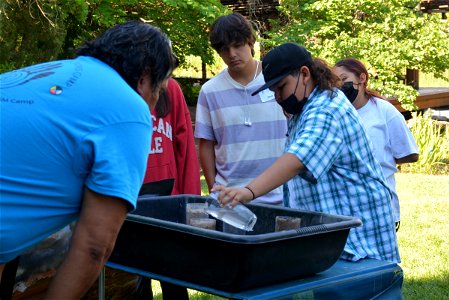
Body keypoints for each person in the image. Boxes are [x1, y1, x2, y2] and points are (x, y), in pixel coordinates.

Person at [0, 20, 178, 299]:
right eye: (161, 90)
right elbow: (95, 245)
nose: (156, 100)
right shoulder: (128, 109)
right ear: (145, 78)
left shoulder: (53, 72)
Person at [213, 42, 400, 263]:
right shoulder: (307, 107)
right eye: (274, 92)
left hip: (360, 241)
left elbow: (298, 160)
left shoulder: (326, 109)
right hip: (336, 239)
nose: (279, 98)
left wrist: (248, 191)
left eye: (281, 87)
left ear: (304, 74)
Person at [194, 13, 287, 205]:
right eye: (224, 49)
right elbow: (206, 145)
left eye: (237, 45)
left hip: (281, 195)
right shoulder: (209, 91)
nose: (232, 54)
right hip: (231, 198)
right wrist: (215, 191)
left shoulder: (278, 81)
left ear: (250, 42)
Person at [333, 58, 419, 231]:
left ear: (362, 78)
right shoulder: (336, 112)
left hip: (380, 205)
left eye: (344, 79)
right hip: (343, 208)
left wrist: (377, 162)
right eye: (336, 83)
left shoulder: (384, 110)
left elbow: (409, 153)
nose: (341, 86)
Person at [134, 78, 201, 300]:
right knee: (135, 279)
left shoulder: (169, 87)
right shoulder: (118, 86)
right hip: (129, 202)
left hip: (169, 203)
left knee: (173, 280)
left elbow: (186, 147)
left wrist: (191, 201)